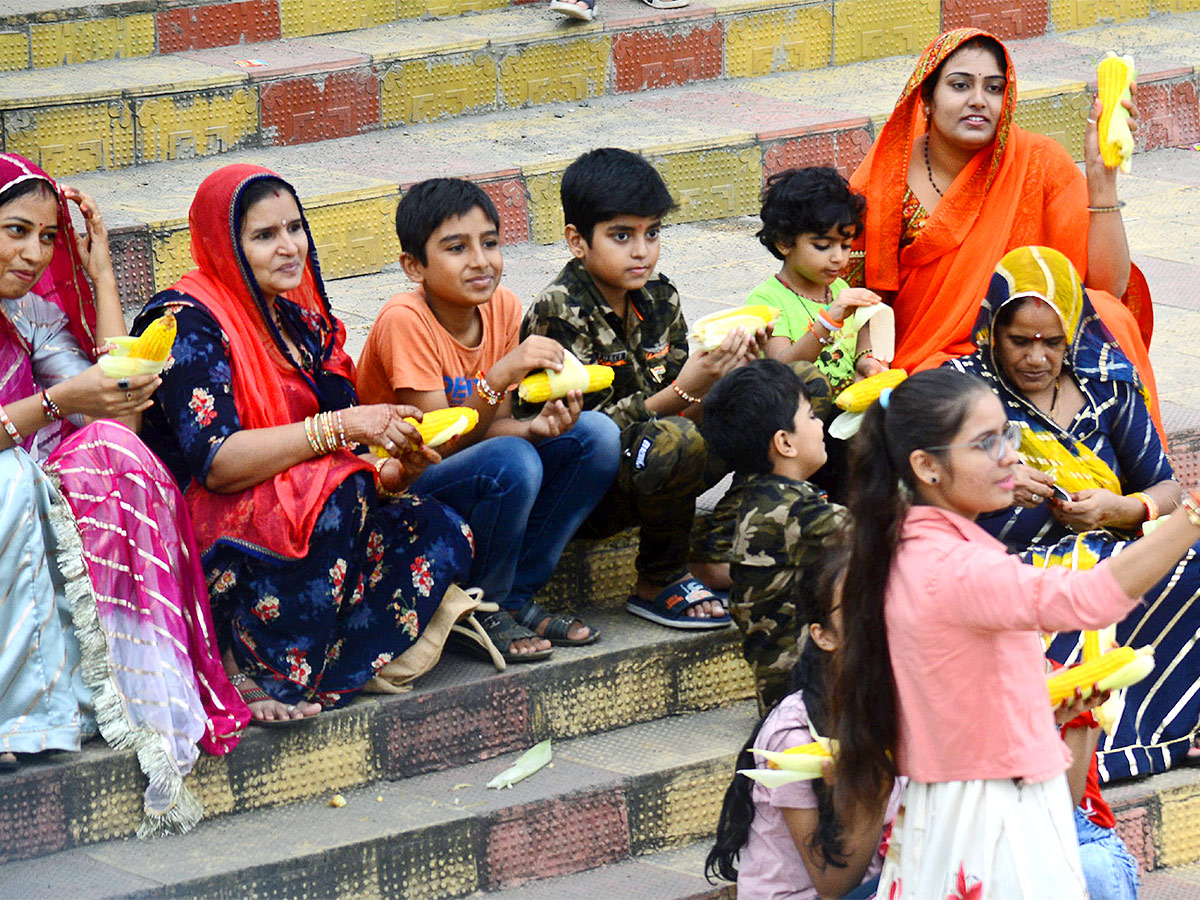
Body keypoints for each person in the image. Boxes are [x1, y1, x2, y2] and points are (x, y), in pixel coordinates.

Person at [831, 366, 1200, 897]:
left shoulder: (913, 545)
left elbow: (957, 689)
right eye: (985, 444)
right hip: (991, 820)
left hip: (961, 806)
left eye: (1008, 435)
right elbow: (1091, 598)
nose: (1010, 456)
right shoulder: (956, 567)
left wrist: (1045, 708)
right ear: (927, 467)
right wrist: (1190, 514)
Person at [135, 164, 473, 720]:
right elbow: (216, 462)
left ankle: (321, 667)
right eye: (264, 236)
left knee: (440, 528)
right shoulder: (188, 322)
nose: (289, 247)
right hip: (204, 522)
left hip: (307, 505)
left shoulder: (298, 320)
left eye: (295, 228)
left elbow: (354, 462)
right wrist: (338, 433)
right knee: (335, 491)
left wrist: (399, 468)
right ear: (225, 244)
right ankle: (253, 669)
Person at [0, 153, 248, 835]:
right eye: (16, 231)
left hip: (41, 502)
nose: (32, 253)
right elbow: (64, 404)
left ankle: (117, 691)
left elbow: (118, 413)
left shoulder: (29, 315)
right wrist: (52, 403)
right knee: (13, 476)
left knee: (115, 453)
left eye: (46, 239)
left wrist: (101, 270)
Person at [949, 244, 1200, 779]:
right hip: (1010, 564)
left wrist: (1122, 507)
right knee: (1074, 583)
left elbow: (1167, 490)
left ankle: (1169, 727)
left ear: (1074, 333)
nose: (1036, 357)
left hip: (1112, 549)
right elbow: (920, 485)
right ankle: (1075, 748)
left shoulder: (1107, 387)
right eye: (1019, 341)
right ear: (993, 330)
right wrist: (992, 481)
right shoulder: (962, 392)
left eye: (1052, 342)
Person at [846, 28, 1162, 438]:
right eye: (960, 85)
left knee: (1111, 317)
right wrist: (867, 358)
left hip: (1026, 343)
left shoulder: (1037, 161)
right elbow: (852, 290)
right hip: (932, 355)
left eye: (994, 88)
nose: (979, 100)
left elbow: (1107, 286)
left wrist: (1103, 182)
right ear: (926, 96)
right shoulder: (885, 175)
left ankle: (1145, 481)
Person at [357, 177, 619, 664]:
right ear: (415, 266)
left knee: (596, 437)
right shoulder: (404, 320)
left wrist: (535, 428)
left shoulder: (503, 307)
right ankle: (481, 606)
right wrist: (497, 378)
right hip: (399, 484)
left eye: (491, 243)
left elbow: (493, 427)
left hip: (470, 463)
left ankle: (517, 596)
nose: (480, 260)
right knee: (513, 462)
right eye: (456, 248)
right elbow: (435, 441)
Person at [520, 147, 766, 630]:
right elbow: (581, 436)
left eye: (652, 233)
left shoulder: (660, 295)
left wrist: (727, 375)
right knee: (672, 439)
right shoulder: (559, 310)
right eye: (621, 236)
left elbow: (687, 395)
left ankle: (719, 546)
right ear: (577, 241)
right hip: (593, 491)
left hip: (660, 463)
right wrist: (688, 390)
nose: (641, 250)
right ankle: (658, 578)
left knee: (776, 393)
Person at [705, 544, 903, 900]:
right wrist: (870, 794)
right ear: (823, 636)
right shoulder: (794, 737)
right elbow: (833, 886)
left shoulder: (909, 700)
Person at [696, 358, 848, 712]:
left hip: (791, 694)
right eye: (810, 416)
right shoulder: (792, 513)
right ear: (784, 442)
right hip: (809, 697)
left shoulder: (760, 498)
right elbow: (885, 534)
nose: (819, 423)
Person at [753, 167, 887, 396]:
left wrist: (866, 360)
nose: (838, 258)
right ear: (784, 242)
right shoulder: (767, 300)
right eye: (823, 246)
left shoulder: (838, 288)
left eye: (846, 246)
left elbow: (862, 327)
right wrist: (828, 322)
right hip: (801, 414)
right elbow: (782, 369)